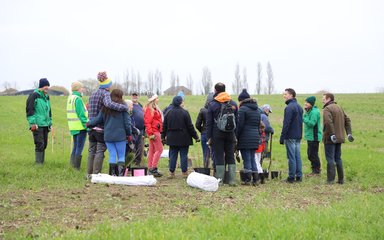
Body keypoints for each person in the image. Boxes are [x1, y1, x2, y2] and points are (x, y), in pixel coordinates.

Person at [86, 72, 128, 179]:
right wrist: (124, 107)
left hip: (92, 127)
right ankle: (96, 174)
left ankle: (88, 174)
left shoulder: (93, 94)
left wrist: (89, 124)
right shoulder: (105, 94)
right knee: (100, 151)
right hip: (101, 128)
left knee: (91, 151)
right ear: (107, 86)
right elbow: (109, 105)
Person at [206, 83, 238, 185]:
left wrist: (209, 137)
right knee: (230, 156)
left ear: (215, 90)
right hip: (230, 134)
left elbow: (209, 122)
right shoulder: (233, 103)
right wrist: (235, 135)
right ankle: (232, 180)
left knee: (219, 156)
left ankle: (220, 180)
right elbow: (237, 120)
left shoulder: (212, 104)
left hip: (217, 134)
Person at [162, 96, 200, 178]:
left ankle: (171, 172)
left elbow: (164, 126)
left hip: (172, 137)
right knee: (183, 155)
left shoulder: (168, 112)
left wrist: (163, 137)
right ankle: (184, 172)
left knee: (172, 155)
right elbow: (190, 126)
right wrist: (196, 137)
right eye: (182, 101)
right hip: (183, 137)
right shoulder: (185, 112)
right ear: (180, 102)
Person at [322, 93, 354, 184]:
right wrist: (349, 133)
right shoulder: (339, 107)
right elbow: (347, 120)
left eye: (323, 98)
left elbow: (328, 122)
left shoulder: (327, 108)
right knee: (338, 158)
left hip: (330, 138)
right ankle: (341, 179)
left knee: (330, 159)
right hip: (339, 137)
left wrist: (332, 134)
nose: (322, 100)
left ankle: (330, 180)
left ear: (328, 99)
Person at [236, 89, 261, 186]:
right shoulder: (257, 109)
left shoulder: (243, 109)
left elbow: (240, 125)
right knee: (252, 158)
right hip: (255, 137)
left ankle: (247, 180)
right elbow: (258, 124)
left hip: (245, 138)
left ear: (241, 100)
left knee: (246, 159)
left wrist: (236, 136)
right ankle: (256, 180)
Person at [26, 78, 52, 165]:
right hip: (37, 125)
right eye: (45, 86)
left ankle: (41, 162)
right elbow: (30, 109)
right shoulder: (34, 95)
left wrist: (50, 122)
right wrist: (32, 123)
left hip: (46, 124)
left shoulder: (47, 96)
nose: (47, 87)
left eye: (48, 86)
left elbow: (49, 111)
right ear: (41, 86)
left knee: (44, 145)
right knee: (39, 144)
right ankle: (39, 164)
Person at [280, 88, 303, 183]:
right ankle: (299, 176)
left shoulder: (289, 107)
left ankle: (291, 177)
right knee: (297, 156)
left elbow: (286, 123)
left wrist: (282, 136)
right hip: (298, 135)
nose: (284, 96)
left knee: (291, 157)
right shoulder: (299, 106)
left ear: (291, 95)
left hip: (290, 136)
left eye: (285, 94)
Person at [67, 81, 88, 170]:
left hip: (73, 127)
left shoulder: (70, 98)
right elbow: (81, 114)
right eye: (82, 87)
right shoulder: (78, 99)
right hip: (80, 127)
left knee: (75, 146)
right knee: (79, 147)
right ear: (78, 88)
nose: (82, 89)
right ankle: (76, 168)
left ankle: (72, 166)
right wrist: (86, 124)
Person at [144, 93, 163, 177]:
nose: (158, 99)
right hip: (154, 132)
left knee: (152, 151)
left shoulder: (154, 108)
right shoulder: (149, 109)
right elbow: (147, 122)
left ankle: (150, 167)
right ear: (153, 100)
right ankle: (153, 168)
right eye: (157, 98)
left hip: (155, 131)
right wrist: (150, 133)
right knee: (160, 149)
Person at [303, 96, 322, 175]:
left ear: (311, 104)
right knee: (310, 154)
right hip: (310, 137)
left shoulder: (314, 112)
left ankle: (316, 171)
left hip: (314, 137)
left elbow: (311, 124)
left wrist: (304, 118)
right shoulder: (309, 111)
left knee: (313, 154)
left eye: (307, 102)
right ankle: (315, 169)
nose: (305, 104)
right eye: (305, 102)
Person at [195, 92, 214, 168]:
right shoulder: (216, 109)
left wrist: (202, 130)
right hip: (214, 134)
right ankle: (215, 168)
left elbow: (197, 124)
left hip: (205, 134)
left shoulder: (203, 110)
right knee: (215, 152)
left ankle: (206, 168)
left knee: (206, 153)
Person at [131, 92, 145, 166]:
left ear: (138, 97)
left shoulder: (140, 106)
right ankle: (131, 161)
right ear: (131, 96)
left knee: (140, 147)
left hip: (141, 130)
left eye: (136, 95)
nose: (134, 97)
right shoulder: (130, 105)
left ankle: (138, 162)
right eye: (133, 95)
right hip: (133, 130)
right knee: (133, 146)